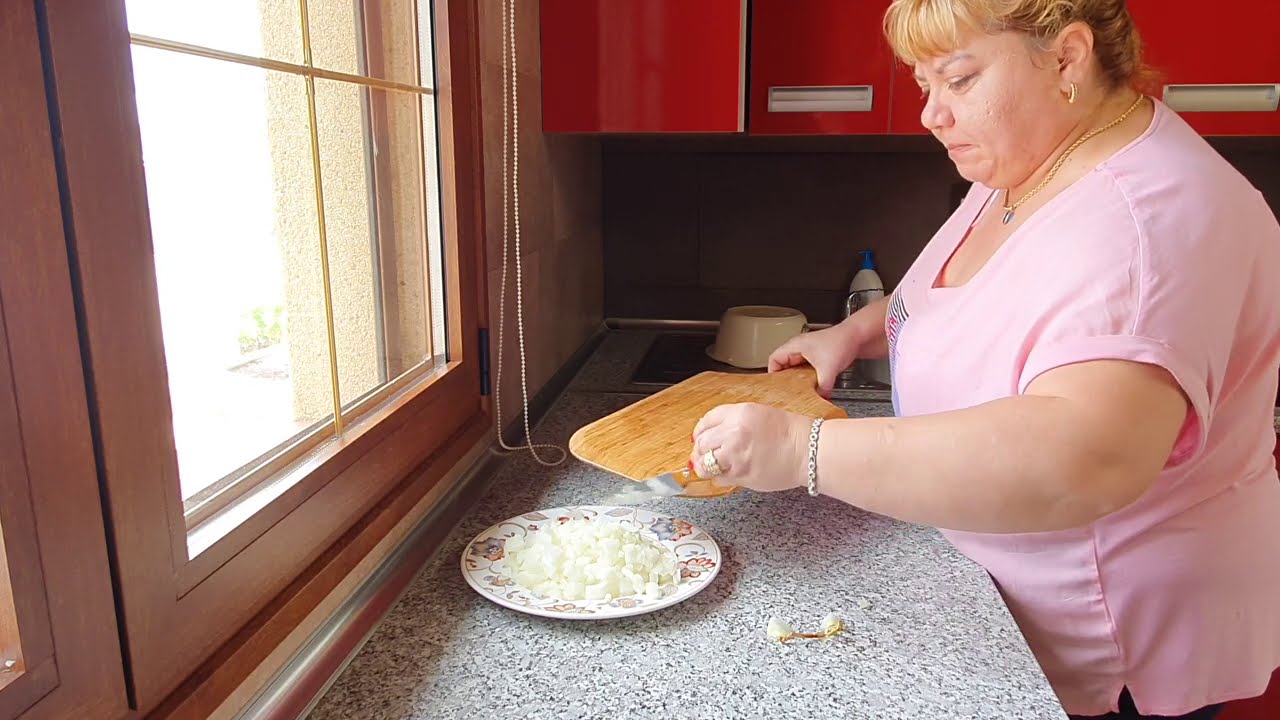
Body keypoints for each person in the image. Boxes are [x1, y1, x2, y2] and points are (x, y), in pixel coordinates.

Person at [687, 1, 1280, 719]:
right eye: (923, 84)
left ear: (1065, 57)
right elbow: (982, 292)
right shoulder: (1033, 160)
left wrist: (803, 450)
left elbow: (1086, 457)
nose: (932, 114)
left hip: (1110, 636)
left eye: (960, 79)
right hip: (999, 593)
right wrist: (858, 332)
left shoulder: (1149, 220)